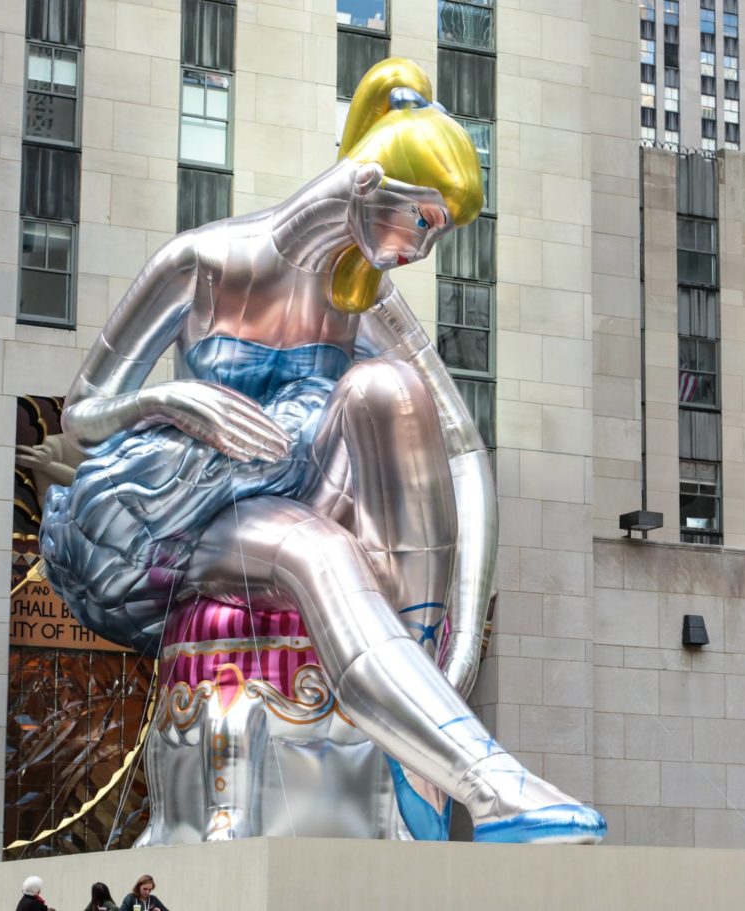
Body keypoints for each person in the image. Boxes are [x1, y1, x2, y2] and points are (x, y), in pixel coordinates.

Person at [39, 56, 605, 845]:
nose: (422, 251)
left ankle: (422, 723)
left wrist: (466, 628)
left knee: (388, 391)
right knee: (315, 554)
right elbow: (81, 411)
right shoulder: (202, 263)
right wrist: (174, 397)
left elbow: (461, 446)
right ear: (370, 187)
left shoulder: (363, 298)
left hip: (315, 486)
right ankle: (489, 783)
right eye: (426, 223)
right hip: (191, 514)